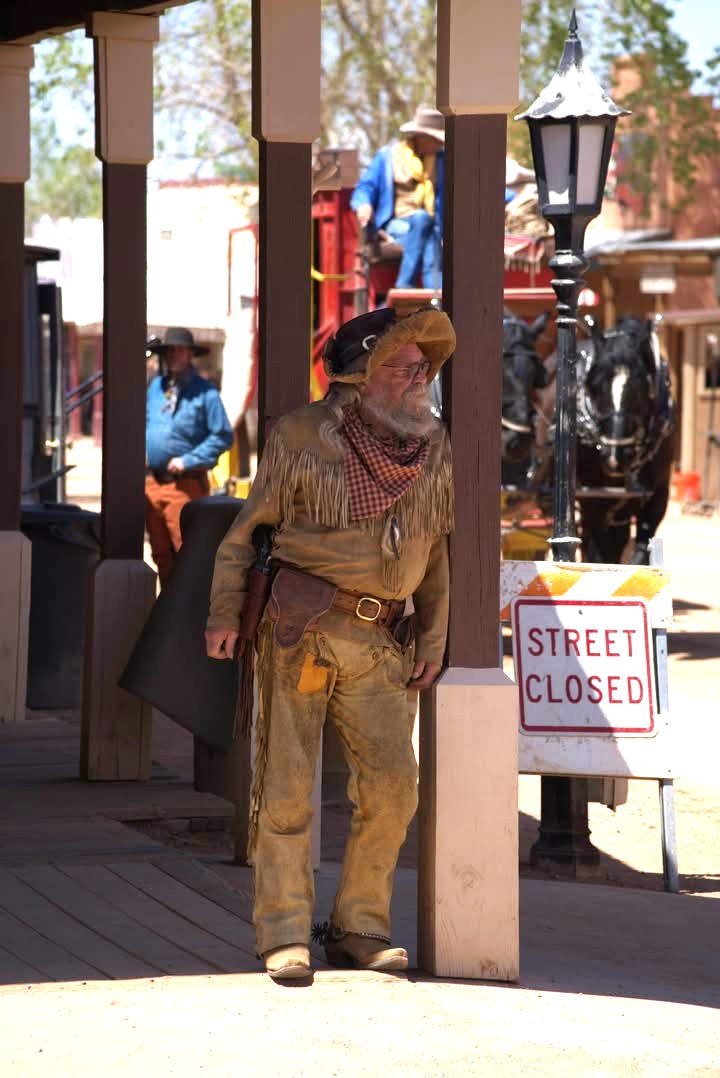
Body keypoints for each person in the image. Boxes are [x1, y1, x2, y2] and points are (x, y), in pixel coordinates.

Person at [205, 306, 455, 981]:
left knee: (394, 788)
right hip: (302, 631)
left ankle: (359, 929)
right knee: (287, 788)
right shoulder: (300, 435)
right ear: (359, 375)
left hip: (384, 642)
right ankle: (284, 932)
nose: (420, 377)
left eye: (424, 366)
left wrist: (433, 636)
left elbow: (437, 552)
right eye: (403, 366)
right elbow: (246, 534)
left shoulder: (434, 446)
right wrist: (224, 612)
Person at [145, 327, 234, 585]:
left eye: (180, 349)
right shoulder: (155, 388)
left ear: (190, 354)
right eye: (170, 350)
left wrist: (187, 460)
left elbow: (223, 435)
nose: (174, 354)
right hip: (152, 483)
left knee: (187, 553)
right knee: (160, 553)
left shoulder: (206, 393)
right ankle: (167, 606)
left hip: (186, 485)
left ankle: (190, 608)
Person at [351, 105, 445, 290]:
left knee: (428, 228)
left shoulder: (443, 160)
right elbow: (365, 188)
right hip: (396, 225)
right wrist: (364, 205)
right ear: (421, 137)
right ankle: (435, 292)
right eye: (436, 140)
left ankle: (407, 287)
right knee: (423, 220)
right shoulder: (389, 157)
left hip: (431, 226)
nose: (440, 145)